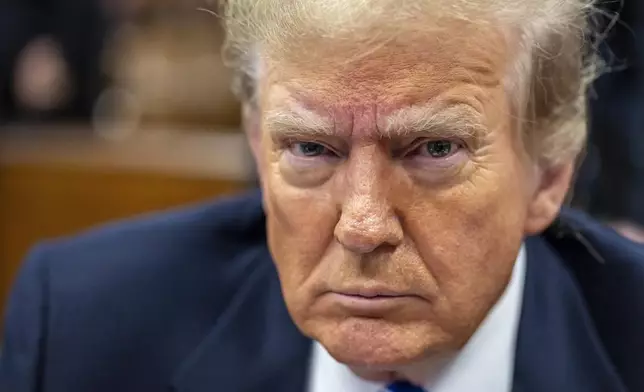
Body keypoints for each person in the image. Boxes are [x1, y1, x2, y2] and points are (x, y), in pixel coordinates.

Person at [2, 1, 644, 391]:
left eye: (433, 149)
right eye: (311, 149)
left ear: (551, 174)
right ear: (258, 146)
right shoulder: (84, 332)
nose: (362, 225)